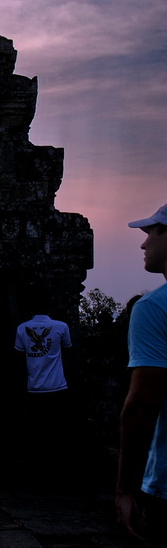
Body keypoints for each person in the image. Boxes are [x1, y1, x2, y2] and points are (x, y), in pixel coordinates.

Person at [116, 203, 167, 546]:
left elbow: (142, 406)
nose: (143, 243)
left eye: (150, 232)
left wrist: (125, 488)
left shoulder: (153, 307)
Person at [13, 302, 74, 476]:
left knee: (36, 434)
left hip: (34, 388)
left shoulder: (22, 328)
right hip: (58, 386)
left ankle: (37, 471)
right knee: (57, 433)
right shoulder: (61, 327)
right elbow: (68, 352)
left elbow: (19, 358)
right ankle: (57, 470)